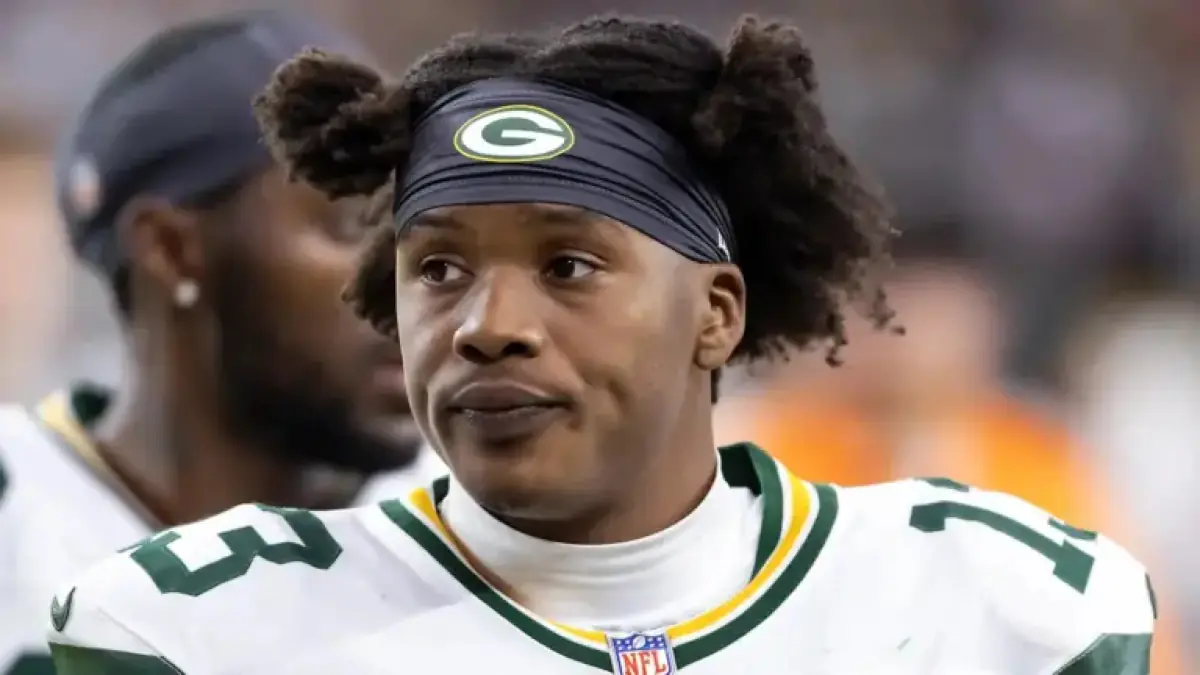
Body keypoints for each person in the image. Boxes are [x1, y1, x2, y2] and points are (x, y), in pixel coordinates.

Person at [46, 15, 1154, 675]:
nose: (488, 326)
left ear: (716, 312)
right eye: (440, 270)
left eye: (569, 266)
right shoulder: (204, 627)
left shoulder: (1001, 604)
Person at [0, 12, 442, 675]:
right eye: (355, 226)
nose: (413, 281)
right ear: (171, 249)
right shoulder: (19, 522)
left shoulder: (496, 526)